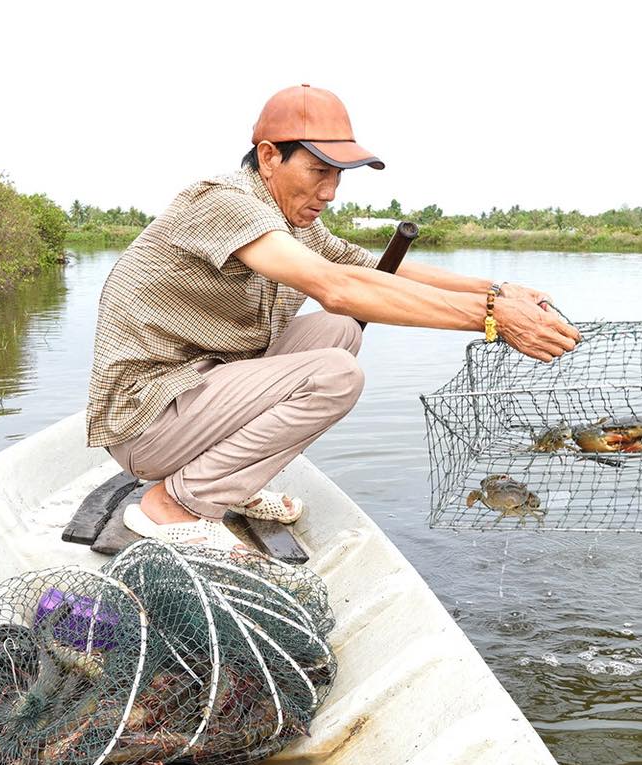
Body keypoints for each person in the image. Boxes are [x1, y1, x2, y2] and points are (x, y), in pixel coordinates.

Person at [86, 84, 579, 551]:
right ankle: (173, 505)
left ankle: (226, 482)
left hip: (200, 401)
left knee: (336, 333)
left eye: (339, 175)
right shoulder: (222, 202)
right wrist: (492, 317)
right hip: (145, 420)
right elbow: (336, 287)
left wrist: (496, 289)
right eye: (319, 171)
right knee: (336, 374)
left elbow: (382, 271)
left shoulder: (294, 226)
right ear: (269, 156)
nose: (331, 191)